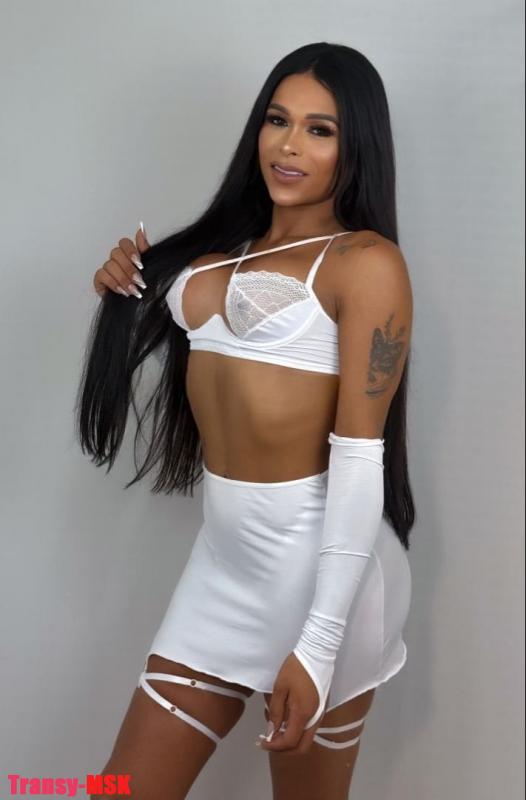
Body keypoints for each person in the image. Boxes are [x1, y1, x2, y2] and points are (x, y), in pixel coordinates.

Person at [78, 41, 415, 800]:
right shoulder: (214, 258)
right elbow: (161, 332)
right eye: (277, 120)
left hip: (328, 576)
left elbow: (359, 456)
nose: (289, 146)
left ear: (356, 145)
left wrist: (319, 643)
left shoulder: (364, 263)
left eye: (320, 130)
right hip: (223, 565)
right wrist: (118, 287)